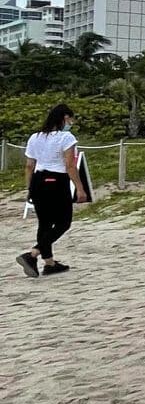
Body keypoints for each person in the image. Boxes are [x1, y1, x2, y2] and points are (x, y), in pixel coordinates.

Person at [16, 104, 86, 277]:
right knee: (64, 222)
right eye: (70, 119)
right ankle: (33, 253)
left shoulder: (35, 137)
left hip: (38, 181)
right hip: (56, 181)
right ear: (63, 118)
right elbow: (70, 165)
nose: (71, 122)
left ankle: (49, 263)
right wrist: (80, 188)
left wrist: (30, 188)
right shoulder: (65, 137)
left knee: (45, 223)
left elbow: (29, 166)